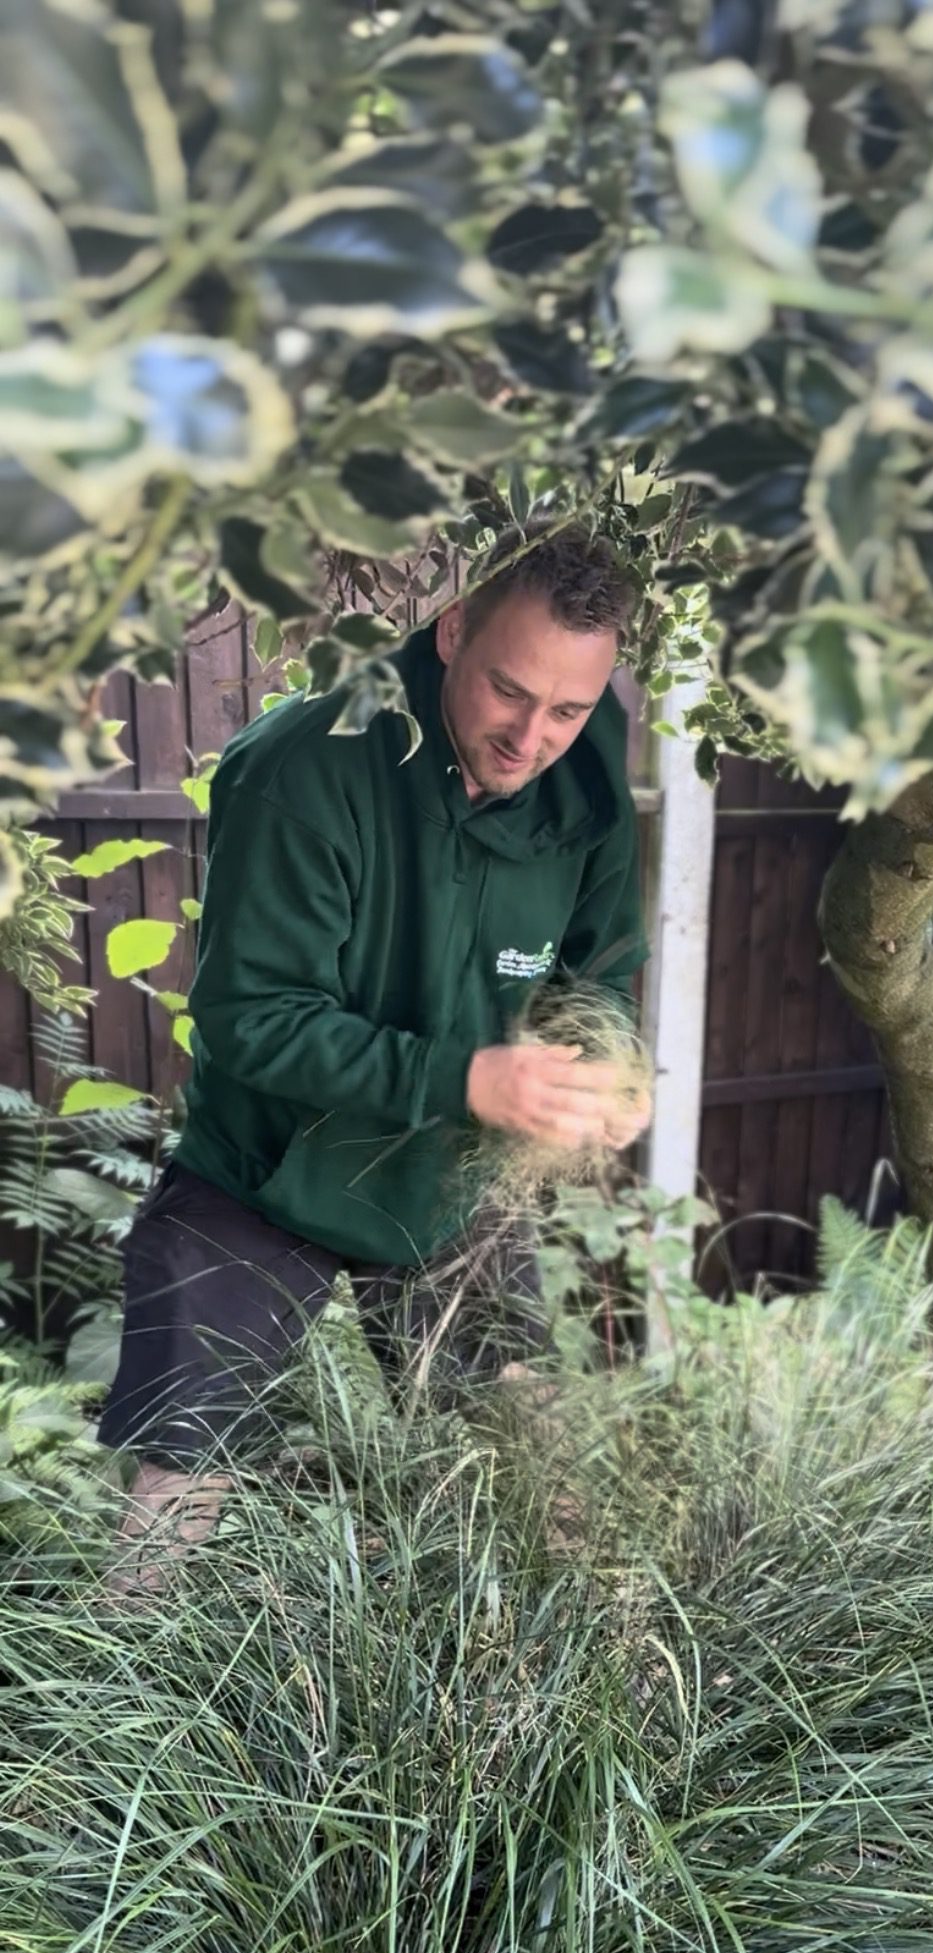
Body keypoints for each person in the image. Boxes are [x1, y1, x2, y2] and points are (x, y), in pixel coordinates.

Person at [98, 519, 652, 1557]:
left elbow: (600, 970)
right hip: (267, 1168)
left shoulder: (584, 790)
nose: (531, 738)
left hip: (442, 1178)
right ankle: (122, 1679)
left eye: (569, 709)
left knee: (528, 1457)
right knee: (181, 1471)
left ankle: (585, 1668)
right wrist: (468, 1076)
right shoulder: (306, 765)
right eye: (509, 691)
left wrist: (607, 1060)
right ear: (451, 634)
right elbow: (250, 1020)